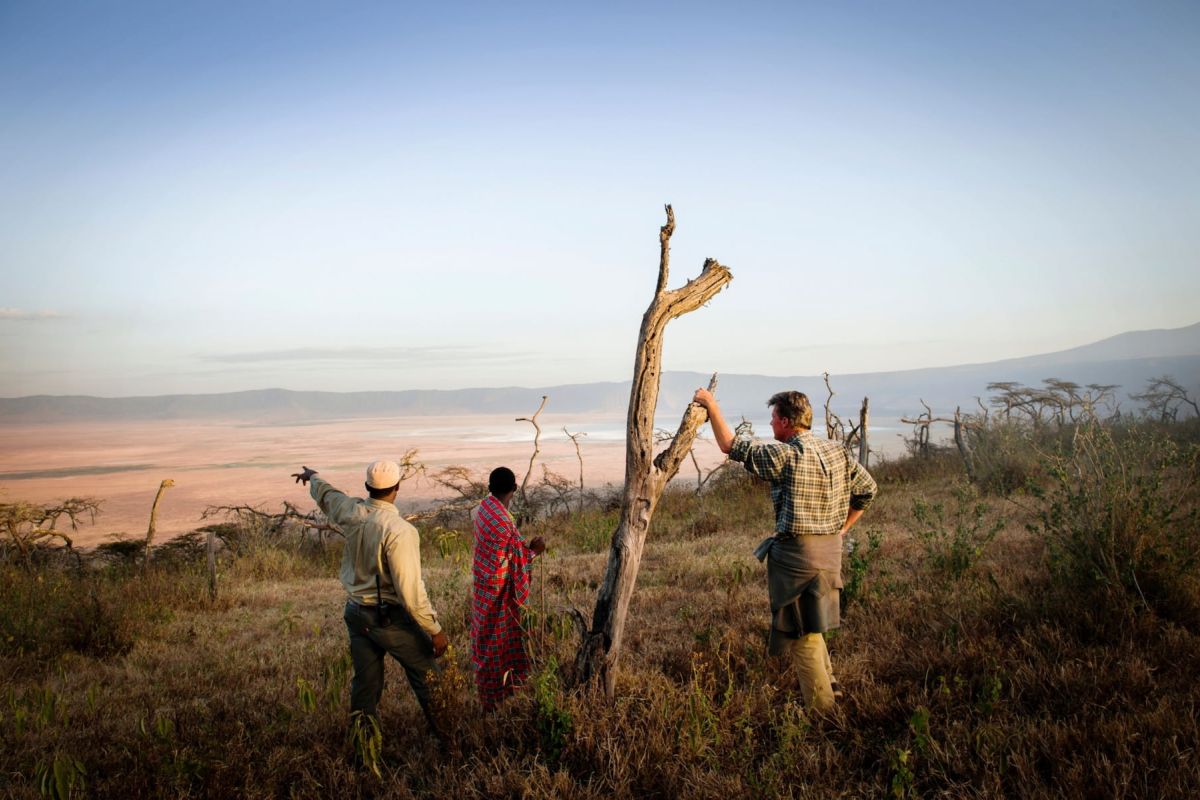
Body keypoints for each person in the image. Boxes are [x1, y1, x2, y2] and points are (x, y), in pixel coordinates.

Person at [692, 388, 877, 712]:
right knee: (812, 623)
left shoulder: (786, 455)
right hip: (830, 553)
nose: (770, 423)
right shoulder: (837, 451)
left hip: (797, 558)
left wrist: (711, 405)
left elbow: (730, 445)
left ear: (787, 422)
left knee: (800, 634)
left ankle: (823, 714)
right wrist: (843, 528)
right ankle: (833, 690)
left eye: (774, 418)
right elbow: (868, 490)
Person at [291, 461, 448, 739]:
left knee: (365, 685)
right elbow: (410, 592)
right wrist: (434, 630)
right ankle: (450, 736)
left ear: (367, 487)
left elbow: (329, 495)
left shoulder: (351, 511)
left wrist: (312, 476)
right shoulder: (399, 530)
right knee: (428, 677)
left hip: (355, 613)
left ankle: (363, 744)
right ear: (397, 487)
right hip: (387, 618)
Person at [470, 467, 546, 712]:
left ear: (489, 488)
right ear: (514, 489)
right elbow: (519, 561)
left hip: (482, 586)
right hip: (498, 591)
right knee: (497, 641)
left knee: (485, 637)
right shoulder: (504, 521)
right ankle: (497, 696)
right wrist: (534, 551)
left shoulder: (484, 509)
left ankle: (494, 693)